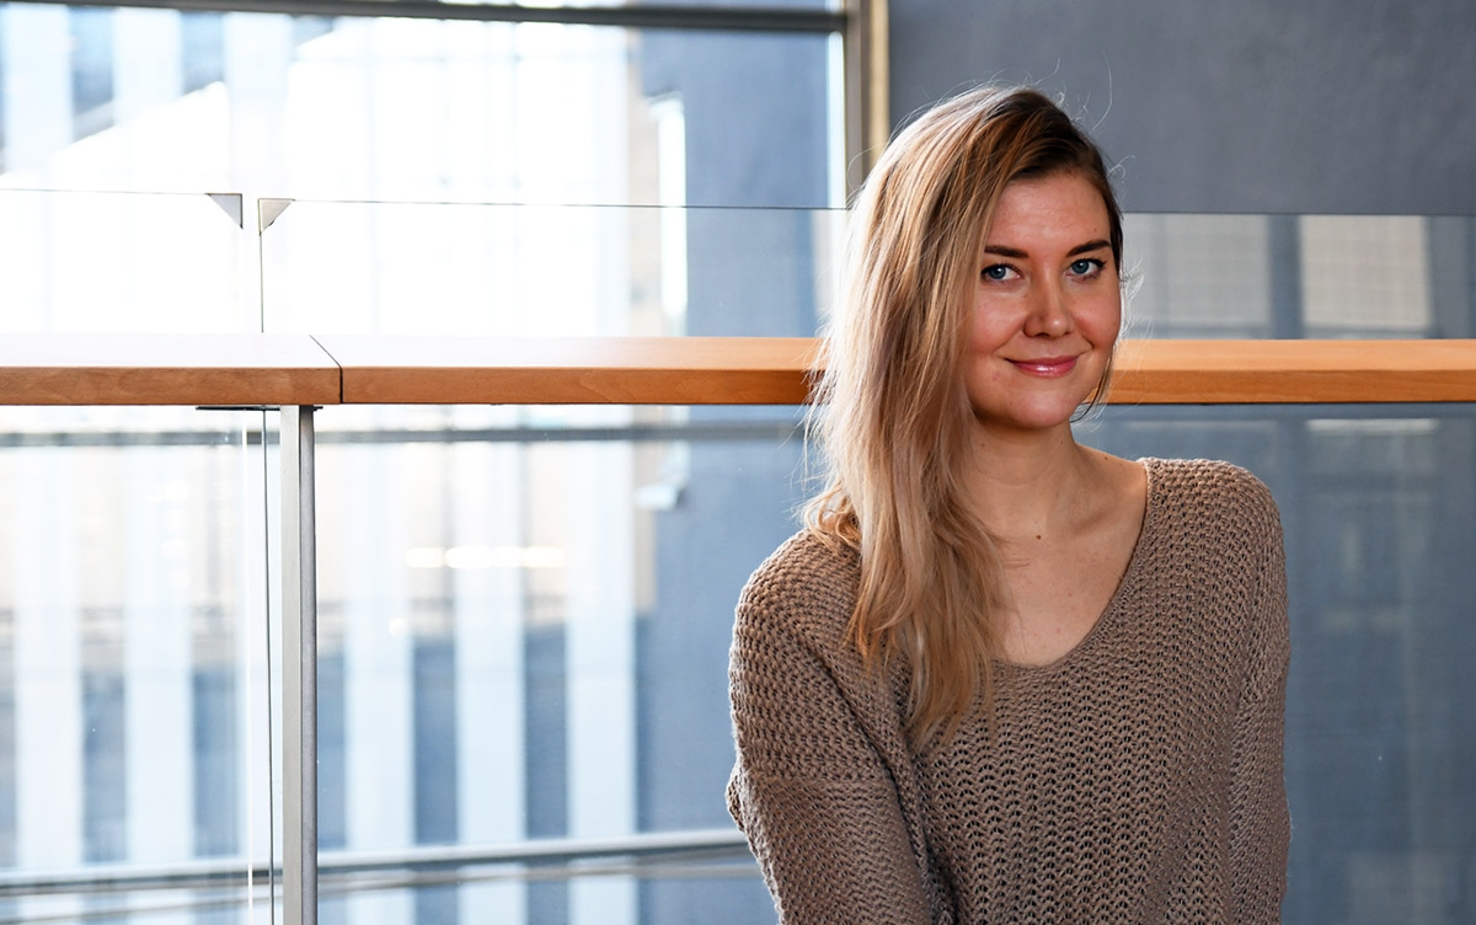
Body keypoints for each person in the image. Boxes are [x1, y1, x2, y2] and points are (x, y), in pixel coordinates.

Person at [726, 85, 1290, 924]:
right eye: (1000, 271)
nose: (1054, 317)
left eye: (1085, 266)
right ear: (910, 298)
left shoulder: (1223, 529)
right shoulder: (809, 613)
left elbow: (1248, 885)